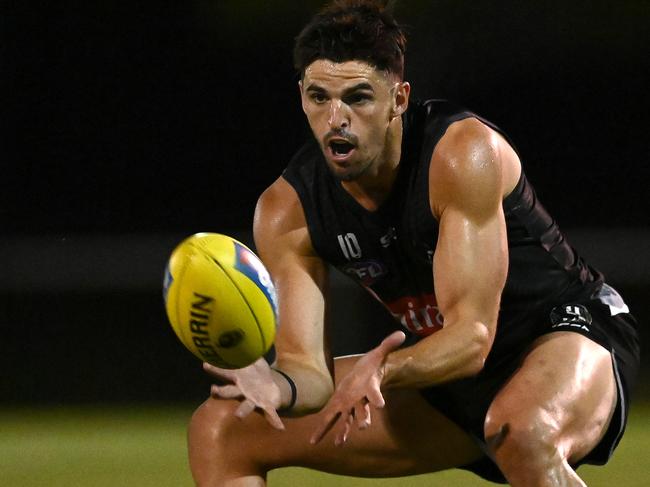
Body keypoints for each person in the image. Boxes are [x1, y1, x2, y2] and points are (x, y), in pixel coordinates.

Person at [188, 1, 640, 485]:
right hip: (447, 378)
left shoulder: (462, 155)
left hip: (562, 336)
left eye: (358, 98)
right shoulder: (286, 210)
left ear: (399, 99)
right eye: (319, 97)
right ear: (301, 95)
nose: (335, 118)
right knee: (220, 428)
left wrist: (382, 371)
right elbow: (308, 370)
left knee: (523, 430)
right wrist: (278, 385)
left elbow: (472, 339)